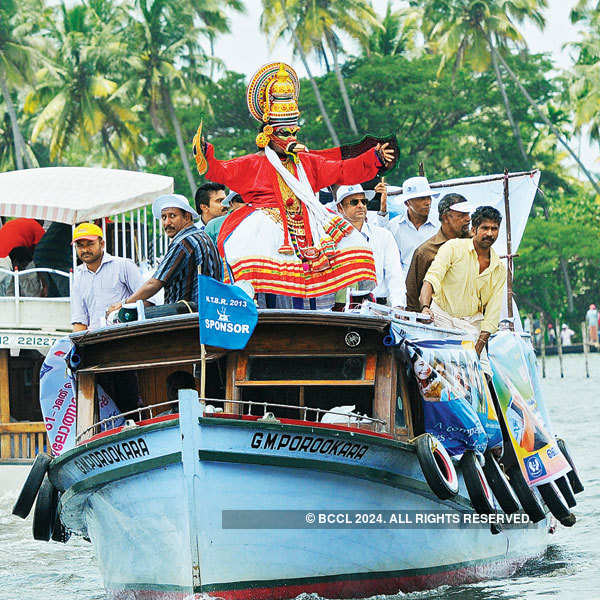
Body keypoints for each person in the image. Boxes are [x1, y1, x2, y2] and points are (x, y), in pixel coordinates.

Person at [192, 61, 396, 302]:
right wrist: (206, 153)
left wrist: (373, 158)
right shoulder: (254, 163)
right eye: (284, 133)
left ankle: (323, 316)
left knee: (354, 249)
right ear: (267, 134)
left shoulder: (308, 162)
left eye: (294, 133)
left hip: (308, 225)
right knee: (256, 273)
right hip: (265, 229)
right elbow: (221, 171)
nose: (291, 138)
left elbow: (342, 170)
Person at [107, 194, 221, 314]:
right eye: (163, 217)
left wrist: (124, 304)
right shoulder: (202, 236)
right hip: (210, 312)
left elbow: (154, 284)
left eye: (172, 216)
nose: (167, 222)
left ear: (187, 217)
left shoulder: (183, 241)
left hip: (190, 316)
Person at [419, 206, 506, 360]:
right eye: (485, 228)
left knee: (482, 377)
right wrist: (425, 308)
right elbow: (431, 279)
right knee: (438, 373)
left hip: (471, 326)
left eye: (494, 229)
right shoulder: (453, 248)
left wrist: (476, 354)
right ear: (474, 229)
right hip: (441, 319)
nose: (490, 233)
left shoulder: (499, 268)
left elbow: (492, 315)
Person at [335, 184, 406, 309]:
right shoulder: (332, 238)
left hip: (377, 307)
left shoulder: (383, 236)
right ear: (340, 208)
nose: (361, 205)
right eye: (354, 202)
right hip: (341, 309)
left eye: (364, 201)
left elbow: (394, 274)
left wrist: (398, 305)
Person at [71, 223, 147, 331]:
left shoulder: (123, 265)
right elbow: (79, 320)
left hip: (126, 333)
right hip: (96, 339)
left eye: (90, 244)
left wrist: (123, 305)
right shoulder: (78, 275)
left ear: (102, 244)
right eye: (80, 245)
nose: (85, 250)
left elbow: (148, 300)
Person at [405, 193, 472, 312]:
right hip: (437, 320)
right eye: (461, 215)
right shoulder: (425, 252)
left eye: (468, 214)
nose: (468, 219)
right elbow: (412, 296)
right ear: (446, 218)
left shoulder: (475, 245)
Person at [388, 176, 440, 273]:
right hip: (406, 284)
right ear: (407, 203)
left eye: (429, 198)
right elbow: (392, 262)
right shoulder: (394, 227)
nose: (428, 202)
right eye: (421, 198)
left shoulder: (441, 223)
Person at [33, 222, 72, 297]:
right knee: (67, 292)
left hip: (41, 254)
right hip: (56, 257)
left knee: (52, 291)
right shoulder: (78, 218)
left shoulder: (65, 218)